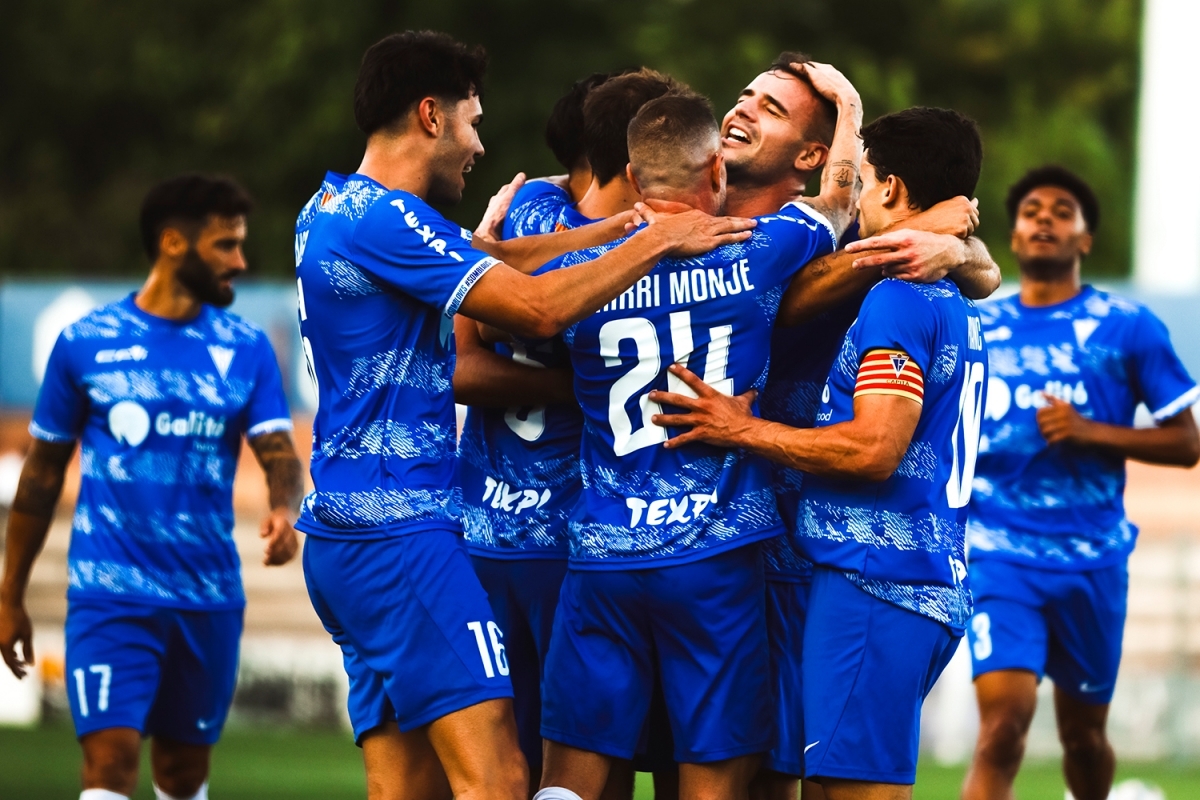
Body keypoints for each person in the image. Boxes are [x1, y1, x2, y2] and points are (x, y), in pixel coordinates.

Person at [293, 31, 754, 800]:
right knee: (501, 780)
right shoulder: (385, 220)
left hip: (344, 532)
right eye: (473, 121)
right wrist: (663, 239)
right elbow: (537, 311)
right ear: (432, 116)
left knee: (406, 788)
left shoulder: (334, 204)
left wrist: (616, 229)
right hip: (400, 532)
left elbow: (490, 264)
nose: (478, 143)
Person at [650, 106, 988, 800]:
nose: (857, 199)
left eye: (863, 182)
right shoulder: (950, 292)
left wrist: (737, 428)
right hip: (910, 580)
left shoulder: (897, 299)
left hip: (874, 582)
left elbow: (873, 450)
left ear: (891, 188)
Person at [534, 77, 858, 800]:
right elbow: (839, 201)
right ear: (715, 171)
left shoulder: (572, 271)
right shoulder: (759, 250)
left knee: (567, 781)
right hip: (714, 558)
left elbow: (505, 301)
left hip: (602, 557)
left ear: (631, 173)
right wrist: (852, 113)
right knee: (712, 783)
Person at [0, 174, 303, 800]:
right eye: (225, 246)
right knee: (108, 767)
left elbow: (279, 454)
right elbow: (38, 478)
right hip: (109, 593)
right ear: (172, 244)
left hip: (208, 597)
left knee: (182, 776)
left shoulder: (245, 348)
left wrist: (282, 506)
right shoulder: (85, 344)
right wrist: (9, 596)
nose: (240, 263)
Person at [457, 67, 680, 796]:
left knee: (510, 770)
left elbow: (468, 351)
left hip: (490, 536)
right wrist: (583, 392)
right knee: (587, 771)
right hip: (567, 548)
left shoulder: (524, 211)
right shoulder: (628, 243)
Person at [960, 166, 1200, 800]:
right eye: (1032, 209)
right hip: (998, 554)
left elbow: (1186, 443)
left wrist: (1092, 432)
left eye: (1062, 211)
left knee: (1083, 740)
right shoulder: (976, 326)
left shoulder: (1128, 327)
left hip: (1092, 559)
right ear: (1011, 232)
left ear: (1085, 239)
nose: (1044, 218)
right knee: (1001, 730)